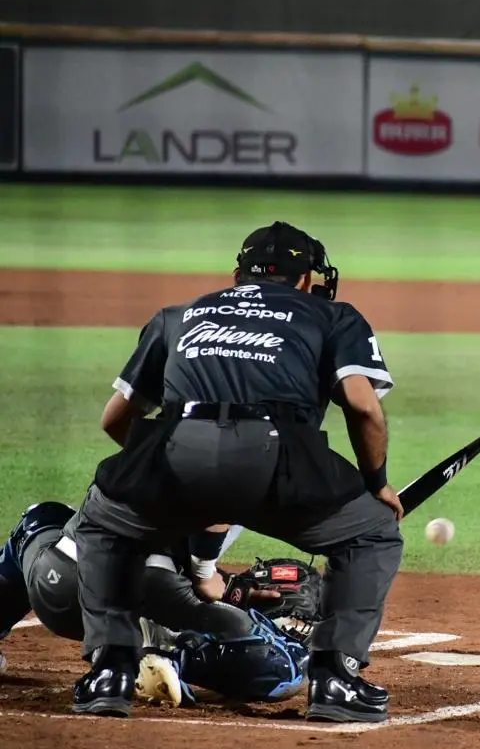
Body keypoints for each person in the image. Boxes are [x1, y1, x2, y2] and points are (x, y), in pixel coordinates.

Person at [70, 221, 405, 723]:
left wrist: (171, 479)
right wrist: (376, 483)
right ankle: (335, 678)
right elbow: (363, 409)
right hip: (277, 456)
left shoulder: (179, 315)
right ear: (307, 281)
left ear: (236, 275)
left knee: (101, 525)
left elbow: (116, 418)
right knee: (373, 535)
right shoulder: (332, 315)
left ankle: (111, 669)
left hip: (176, 446)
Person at [0, 500, 309, 706]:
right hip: (148, 591)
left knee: (43, 516)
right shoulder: (244, 467)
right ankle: (170, 659)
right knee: (284, 666)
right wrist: (226, 596)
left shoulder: (158, 448)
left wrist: (228, 587)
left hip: (56, 578)